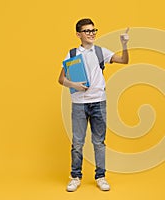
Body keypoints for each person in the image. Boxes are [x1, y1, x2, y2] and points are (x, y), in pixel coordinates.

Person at [58, 18, 129, 192]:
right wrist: (75, 86)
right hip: (79, 104)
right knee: (77, 142)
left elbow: (124, 60)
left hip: (98, 102)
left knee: (99, 142)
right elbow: (61, 79)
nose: (92, 34)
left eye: (93, 30)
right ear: (78, 34)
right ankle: (75, 177)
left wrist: (124, 44)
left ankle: (101, 176)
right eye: (87, 31)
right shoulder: (73, 54)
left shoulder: (100, 52)